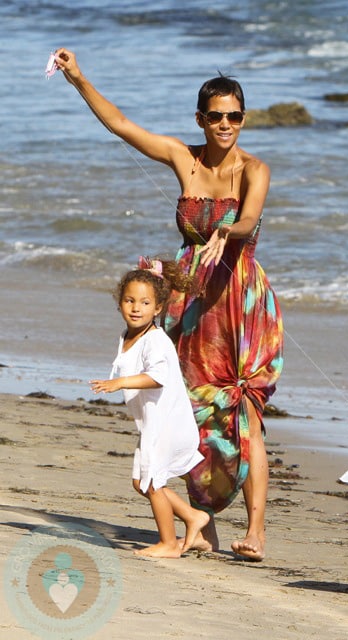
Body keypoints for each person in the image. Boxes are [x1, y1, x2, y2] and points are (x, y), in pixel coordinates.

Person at [55, 48, 284, 561]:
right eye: (216, 116)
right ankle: (202, 526)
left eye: (235, 116)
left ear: (243, 119)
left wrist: (229, 229)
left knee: (241, 411)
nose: (226, 125)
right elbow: (120, 124)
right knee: (192, 411)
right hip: (190, 301)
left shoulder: (254, 169)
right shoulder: (185, 158)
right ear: (201, 119)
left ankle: (257, 531)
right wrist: (77, 78)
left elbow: (249, 219)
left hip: (239, 303)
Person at [90, 259, 208, 558]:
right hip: (152, 423)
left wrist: (119, 383)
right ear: (119, 303)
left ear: (158, 308)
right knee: (140, 482)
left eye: (144, 302)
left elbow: (157, 377)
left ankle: (169, 543)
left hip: (168, 423)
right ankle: (193, 517)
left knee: (152, 482)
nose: (135, 307)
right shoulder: (128, 336)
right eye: (129, 300)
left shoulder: (155, 340)